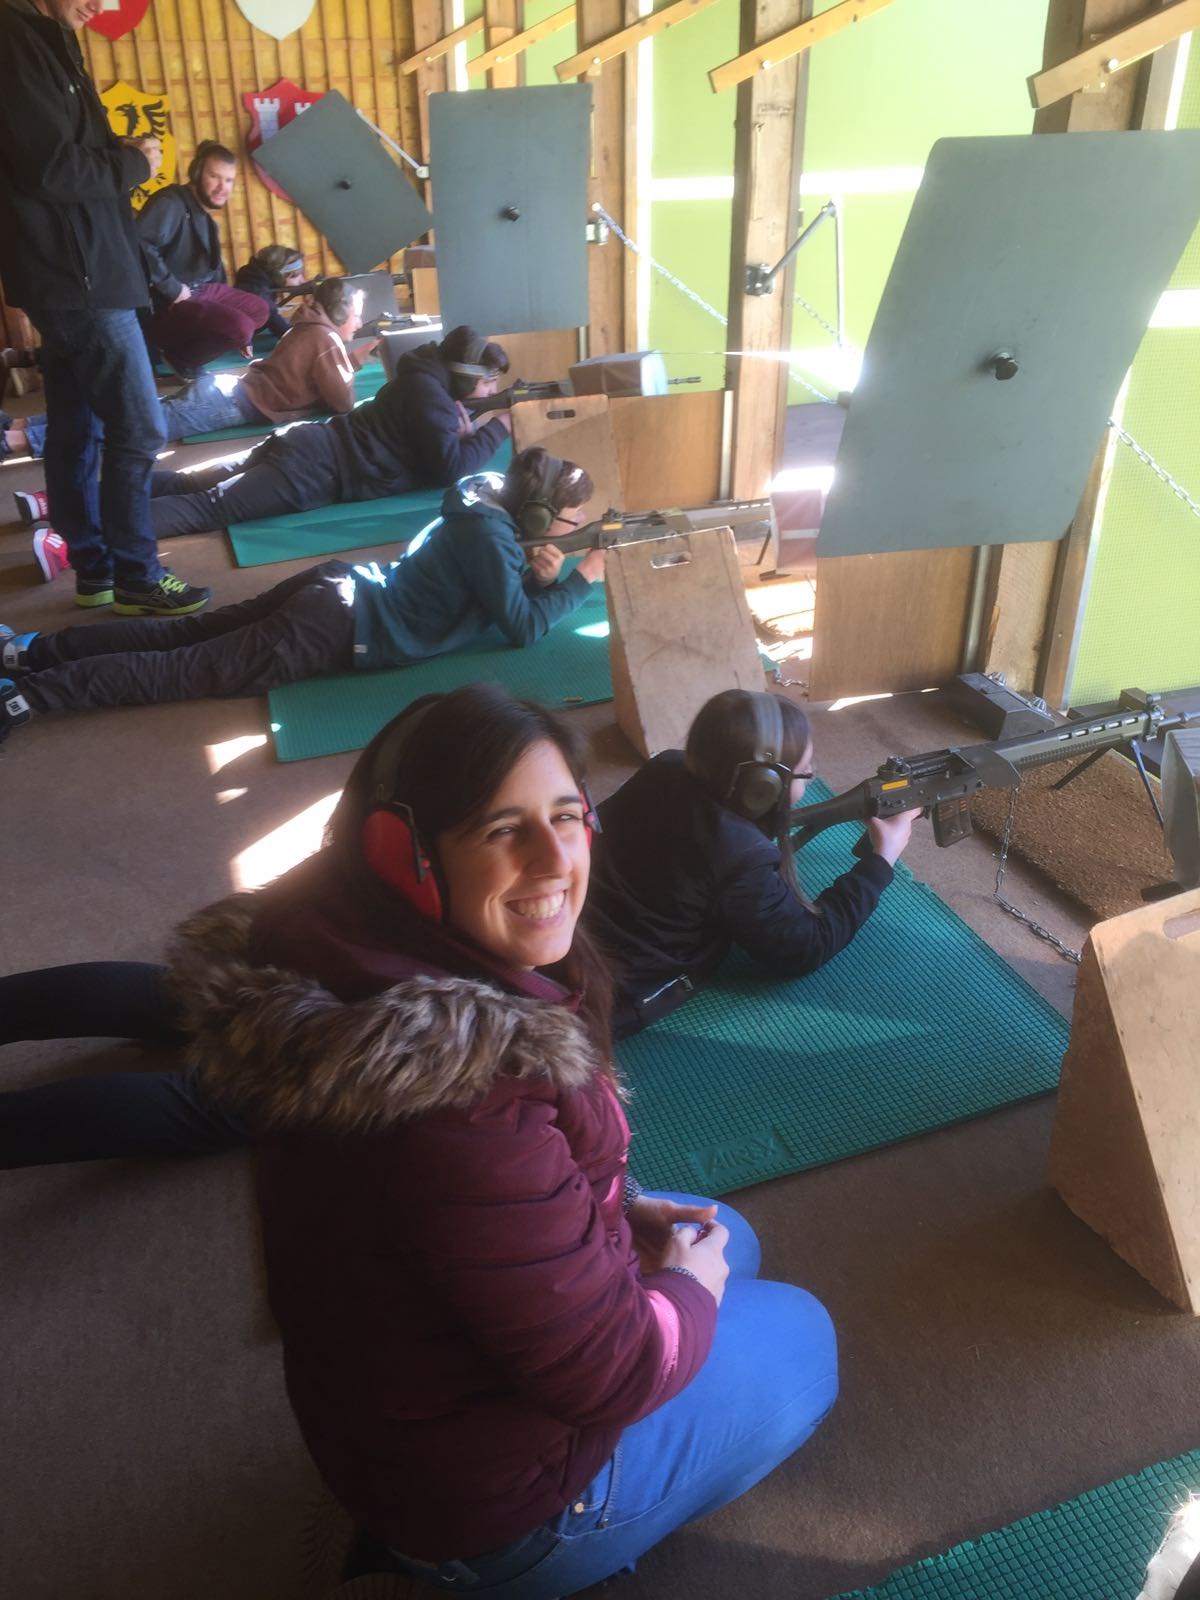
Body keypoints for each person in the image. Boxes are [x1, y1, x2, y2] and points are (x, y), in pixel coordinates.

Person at [170, 682, 839, 1589]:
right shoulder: (463, 1103)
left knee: (731, 1239)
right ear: (404, 857)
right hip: (495, 1512)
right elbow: (612, 1372)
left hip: (406, 1417)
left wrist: (620, 1217)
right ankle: (556, 1554)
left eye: (566, 816)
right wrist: (684, 1292)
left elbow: (471, 1221)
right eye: (501, 829)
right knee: (805, 1337)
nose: (558, 858)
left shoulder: (340, 938)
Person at [0, 446, 604, 729]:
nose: (576, 526)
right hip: (337, 626)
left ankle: (30, 651)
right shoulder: (493, 540)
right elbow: (522, 627)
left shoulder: (481, 503)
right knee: (181, 668)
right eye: (572, 518)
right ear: (535, 515)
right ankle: (28, 697)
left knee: (187, 635)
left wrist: (538, 577)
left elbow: (496, 589)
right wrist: (581, 580)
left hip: (339, 586)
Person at [0, 0, 210, 617]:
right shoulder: (15, 38)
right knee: (140, 429)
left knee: (76, 430)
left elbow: (55, 153)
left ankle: (94, 569)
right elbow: (50, 169)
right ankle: (137, 574)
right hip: (80, 276)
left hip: (79, 271)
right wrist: (133, 162)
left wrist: (117, 152)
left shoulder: (44, 36)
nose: (102, 4)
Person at [587, 688, 919, 1037]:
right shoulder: (737, 855)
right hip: (616, 992)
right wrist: (881, 859)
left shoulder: (665, 764)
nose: (812, 776)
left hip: (580, 931)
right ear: (762, 787)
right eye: (806, 771)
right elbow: (807, 947)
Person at [145, 323, 513, 539]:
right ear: (464, 375)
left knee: (186, 483)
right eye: (489, 382)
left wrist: (463, 435)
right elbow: (450, 468)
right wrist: (499, 427)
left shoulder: (424, 378)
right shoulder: (432, 396)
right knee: (208, 508)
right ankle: (114, 528)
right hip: (313, 470)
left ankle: (112, 493)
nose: (492, 391)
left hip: (307, 444)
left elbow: (431, 445)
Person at [4, 277, 379, 463]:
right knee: (136, 427)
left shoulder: (309, 328)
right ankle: (18, 441)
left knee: (131, 411)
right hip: (227, 404)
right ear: (339, 312)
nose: (360, 322)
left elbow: (323, 372)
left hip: (222, 391)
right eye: (357, 314)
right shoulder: (327, 341)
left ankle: (22, 424)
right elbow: (342, 402)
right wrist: (353, 362)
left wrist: (356, 357)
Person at [137, 141, 270, 375]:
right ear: (196, 173)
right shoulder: (170, 203)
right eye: (214, 177)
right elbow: (140, 243)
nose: (222, 187)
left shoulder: (204, 215)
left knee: (260, 310)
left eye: (228, 180)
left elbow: (215, 273)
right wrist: (172, 288)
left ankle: (191, 347)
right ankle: (181, 358)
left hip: (205, 291)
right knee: (241, 327)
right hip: (170, 300)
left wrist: (229, 314)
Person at [233, 242, 306, 341]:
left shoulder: (254, 278)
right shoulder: (257, 292)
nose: (302, 281)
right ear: (280, 275)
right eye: (296, 275)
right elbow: (287, 334)